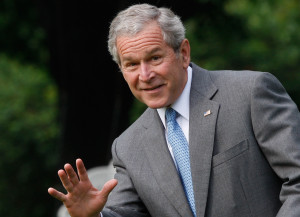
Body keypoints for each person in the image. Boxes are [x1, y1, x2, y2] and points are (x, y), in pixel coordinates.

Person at [48, 3, 300, 217]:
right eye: (132, 64)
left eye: (155, 58)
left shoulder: (249, 93)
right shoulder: (127, 147)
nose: (145, 75)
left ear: (184, 53)